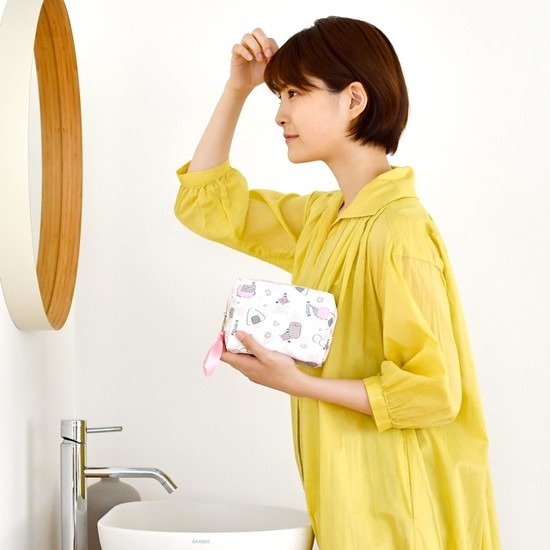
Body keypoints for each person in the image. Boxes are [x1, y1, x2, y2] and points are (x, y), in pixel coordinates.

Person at [174, 16, 500, 550]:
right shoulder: (324, 220)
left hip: (402, 519)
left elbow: (433, 392)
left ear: (353, 99)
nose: (280, 114)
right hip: (350, 507)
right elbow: (206, 207)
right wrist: (236, 90)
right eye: (279, 95)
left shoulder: (399, 232)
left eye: (295, 93)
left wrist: (295, 382)